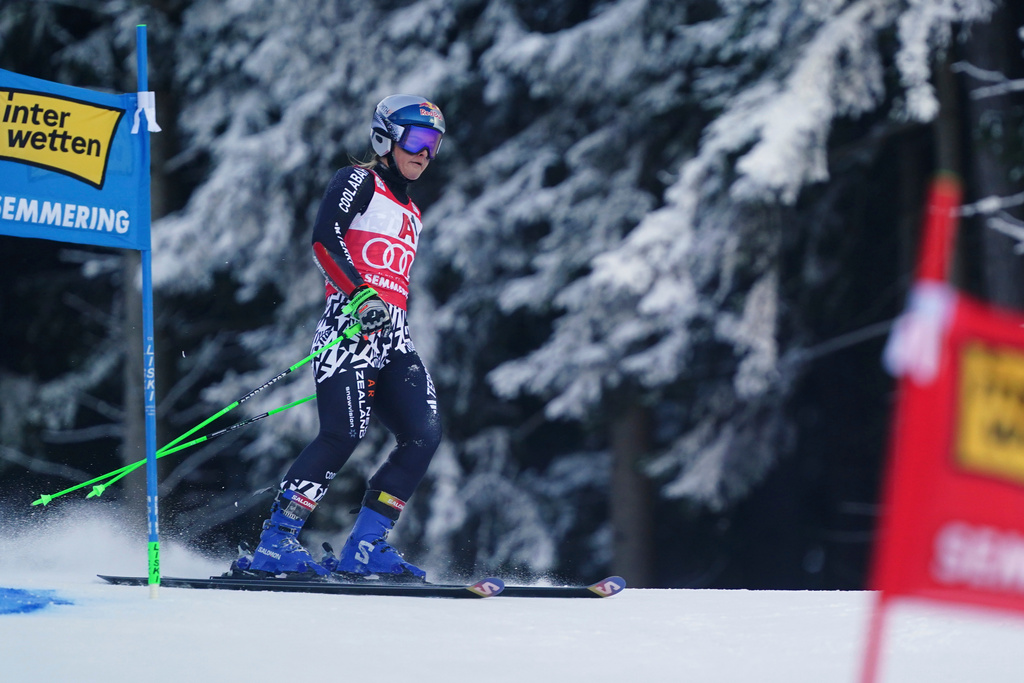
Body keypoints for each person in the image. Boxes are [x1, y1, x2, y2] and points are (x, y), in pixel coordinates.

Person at [247, 95, 446, 581]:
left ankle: (366, 546)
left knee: (423, 435)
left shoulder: (413, 210)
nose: (424, 152)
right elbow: (324, 239)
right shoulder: (359, 180)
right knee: (344, 432)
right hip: (349, 325)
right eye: (416, 139)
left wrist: (382, 308)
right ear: (386, 137)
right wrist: (360, 295)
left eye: (433, 143)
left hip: (392, 335)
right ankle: (276, 542)